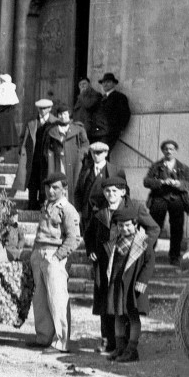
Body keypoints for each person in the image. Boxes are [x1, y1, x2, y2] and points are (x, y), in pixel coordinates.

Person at [85, 177, 159, 355]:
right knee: (107, 301)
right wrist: (91, 250)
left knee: (127, 307)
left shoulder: (135, 208)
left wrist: (141, 247)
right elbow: (88, 233)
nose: (111, 195)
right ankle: (109, 341)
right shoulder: (100, 210)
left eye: (115, 191)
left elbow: (153, 229)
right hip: (106, 262)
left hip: (129, 261)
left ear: (123, 192)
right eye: (107, 191)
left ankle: (127, 344)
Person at [26, 173, 80, 354]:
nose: (50, 190)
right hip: (39, 253)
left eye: (55, 187)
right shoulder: (46, 206)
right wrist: (34, 253)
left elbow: (74, 238)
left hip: (54, 254)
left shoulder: (67, 209)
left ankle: (61, 342)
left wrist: (58, 257)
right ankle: (43, 337)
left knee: (57, 299)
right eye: (48, 187)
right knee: (40, 299)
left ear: (64, 189)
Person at [104, 207, 156, 363]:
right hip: (118, 284)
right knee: (118, 316)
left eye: (128, 225)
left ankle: (132, 350)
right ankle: (120, 347)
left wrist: (142, 282)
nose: (124, 229)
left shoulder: (143, 242)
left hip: (133, 286)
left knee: (133, 317)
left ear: (135, 225)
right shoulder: (116, 242)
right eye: (120, 226)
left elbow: (149, 263)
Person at [143, 139, 189, 265]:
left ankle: (174, 256)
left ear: (175, 151)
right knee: (154, 227)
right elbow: (146, 181)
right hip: (159, 199)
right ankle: (149, 255)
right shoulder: (156, 166)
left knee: (177, 228)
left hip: (177, 200)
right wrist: (161, 182)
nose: (168, 151)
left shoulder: (182, 167)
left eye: (171, 149)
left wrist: (179, 183)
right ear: (162, 151)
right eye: (166, 149)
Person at [13, 98, 57, 210]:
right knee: (32, 183)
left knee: (45, 181)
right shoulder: (32, 122)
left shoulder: (55, 122)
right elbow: (23, 137)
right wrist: (21, 150)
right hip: (33, 158)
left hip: (48, 159)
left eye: (45, 108)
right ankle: (31, 205)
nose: (42, 111)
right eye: (40, 108)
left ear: (50, 109)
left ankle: (43, 205)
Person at [74, 141, 126, 233]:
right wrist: (79, 210)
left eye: (99, 153)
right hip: (87, 213)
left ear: (106, 153)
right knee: (89, 241)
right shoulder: (86, 170)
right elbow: (78, 191)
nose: (96, 155)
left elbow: (124, 193)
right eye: (93, 152)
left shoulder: (116, 171)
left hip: (105, 212)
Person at [43, 103, 89, 208]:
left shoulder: (78, 128)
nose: (62, 116)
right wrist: (50, 157)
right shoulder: (52, 130)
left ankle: (73, 208)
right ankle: (56, 206)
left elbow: (85, 144)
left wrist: (81, 154)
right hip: (58, 161)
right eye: (59, 114)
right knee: (58, 182)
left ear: (69, 114)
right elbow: (46, 147)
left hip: (74, 161)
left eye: (64, 114)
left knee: (74, 183)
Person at [92, 73, 131, 152]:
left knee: (102, 153)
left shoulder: (119, 97)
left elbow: (126, 114)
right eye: (103, 82)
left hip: (110, 131)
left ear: (114, 84)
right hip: (99, 132)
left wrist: (120, 129)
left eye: (108, 82)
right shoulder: (101, 98)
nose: (105, 84)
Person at [71, 77, 103, 141]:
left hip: (88, 127)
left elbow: (88, 105)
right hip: (78, 125)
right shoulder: (81, 96)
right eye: (80, 85)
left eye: (84, 84)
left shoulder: (95, 94)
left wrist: (82, 94)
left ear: (89, 84)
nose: (82, 86)